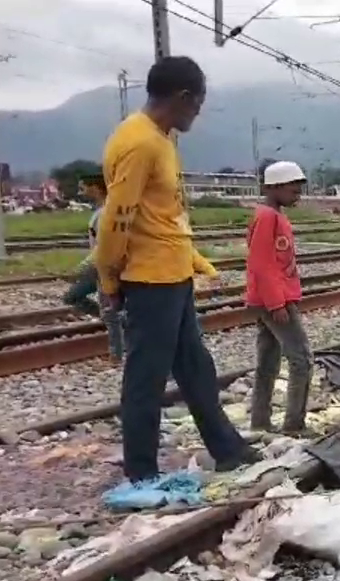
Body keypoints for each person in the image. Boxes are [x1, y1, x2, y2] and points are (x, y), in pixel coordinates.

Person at [95, 56, 259, 483]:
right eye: (198, 104)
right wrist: (108, 278)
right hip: (149, 280)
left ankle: (227, 448)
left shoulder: (160, 138)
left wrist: (195, 261)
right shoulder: (141, 142)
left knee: (194, 367)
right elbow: (118, 217)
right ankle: (142, 472)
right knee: (146, 377)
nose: (198, 113)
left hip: (171, 274)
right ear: (184, 97)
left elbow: (164, 214)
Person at [245, 160, 312, 434]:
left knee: (269, 361)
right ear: (274, 187)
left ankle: (260, 422)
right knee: (302, 359)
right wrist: (276, 303)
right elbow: (261, 264)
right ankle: (294, 424)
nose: (297, 192)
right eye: (293, 187)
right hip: (273, 301)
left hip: (268, 299)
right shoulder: (268, 217)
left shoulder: (272, 215)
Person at [61, 173, 125, 362]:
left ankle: (116, 356)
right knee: (76, 298)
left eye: (83, 188)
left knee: (110, 312)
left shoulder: (106, 213)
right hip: (99, 266)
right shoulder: (101, 211)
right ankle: (120, 331)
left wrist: (79, 270)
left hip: (105, 267)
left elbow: (103, 247)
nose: (81, 192)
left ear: (96, 188)